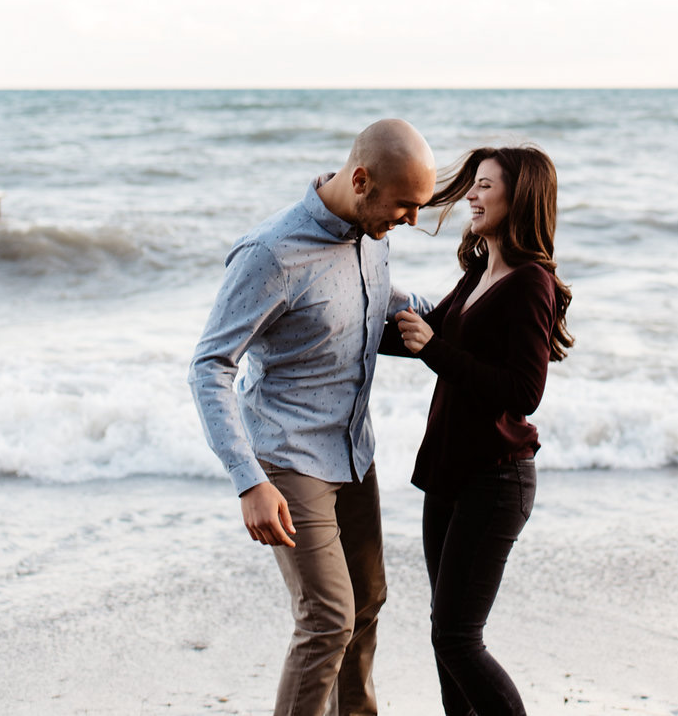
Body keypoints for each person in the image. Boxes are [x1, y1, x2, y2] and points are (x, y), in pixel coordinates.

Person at [189, 119, 438, 716]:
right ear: (360, 180)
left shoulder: (373, 231)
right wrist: (249, 481)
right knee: (328, 620)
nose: (409, 221)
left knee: (369, 601)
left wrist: (476, 316)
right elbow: (209, 366)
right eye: (404, 207)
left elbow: (372, 314)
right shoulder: (271, 255)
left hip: (354, 450)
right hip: (289, 458)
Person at [389, 144, 573, 716]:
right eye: (474, 185)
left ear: (520, 197)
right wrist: (340, 307)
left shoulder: (530, 284)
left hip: (496, 480)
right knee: (447, 637)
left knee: (457, 639)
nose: (472, 194)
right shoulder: (477, 273)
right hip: (450, 474)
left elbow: (524, 392)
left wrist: (436, 349)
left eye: (486, 185)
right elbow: (417, 337)